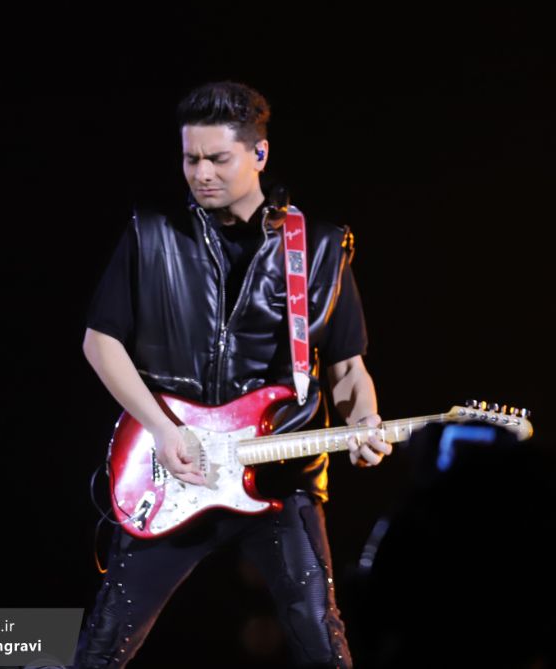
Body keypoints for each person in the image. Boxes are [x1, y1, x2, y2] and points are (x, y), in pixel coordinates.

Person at [75, 82, 390, 669]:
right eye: (190, 158)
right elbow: (100, 342)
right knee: (101, 649)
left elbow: (348, 367)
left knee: (323, 642)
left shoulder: (320, 247)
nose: (201, 173)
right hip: (173, 468)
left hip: (280, 477)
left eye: (218, 158)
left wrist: (365, 421)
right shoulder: (152, 231)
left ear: (259, 153)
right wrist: (162, 429)